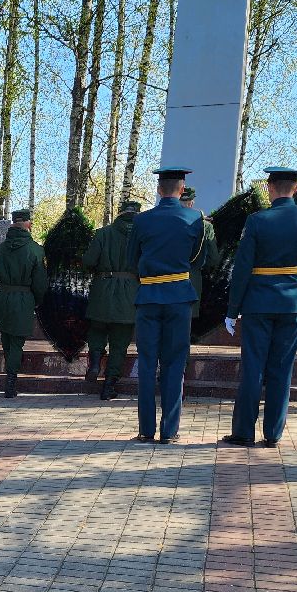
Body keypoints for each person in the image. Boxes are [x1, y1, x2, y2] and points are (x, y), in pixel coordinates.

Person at [219, 166, 297, 449]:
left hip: (257, 304)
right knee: (281, 369)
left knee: (253, 368)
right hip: (292, 306)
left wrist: (232, 309)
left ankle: (243, 432)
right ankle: (273, 433)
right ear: (295, 188)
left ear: (270, 188)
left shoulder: (257, 220)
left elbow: (242, 269)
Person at [127, 166, 205, 443]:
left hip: (149, 296)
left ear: (159, 190)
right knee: (174, 363)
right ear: (181, 190)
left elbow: (131, 259)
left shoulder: (142, 221)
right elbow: (199, 259)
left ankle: (146, 430)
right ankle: (169, 431)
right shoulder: (196, 219)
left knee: (147, 363)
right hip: (179, 297)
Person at [82, 199, 141, 400]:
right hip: (129, 293)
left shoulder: (102, 233)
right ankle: (109, 386)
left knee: (97, 330)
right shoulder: (143, 237)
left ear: (120, 212)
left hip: (102, 290)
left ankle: (96, 361)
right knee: (119, 343)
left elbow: (89, 261)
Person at [0, 208, 49, 398]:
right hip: (23, 298)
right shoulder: (35, 249)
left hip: (2, 296)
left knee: (6, 338)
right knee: (17, 342)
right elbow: (40, 282)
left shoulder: (0, 249)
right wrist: (38, 301)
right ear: (27, 224)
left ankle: (10, 374)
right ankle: (11, 381)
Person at [178, 186, 217, 305]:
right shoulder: (205, 226)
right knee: (188, 319)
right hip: (192, 278)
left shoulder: (164, 221)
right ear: (191, 203)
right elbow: (213, 258)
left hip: (165, 279)